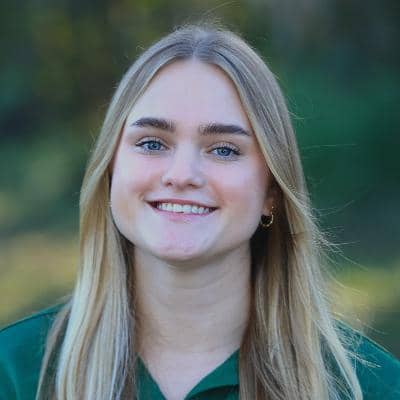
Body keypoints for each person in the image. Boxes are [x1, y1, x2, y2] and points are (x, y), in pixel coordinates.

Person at [0, 22, 399, 400]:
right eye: (152, 143)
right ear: (110, 171)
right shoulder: (14, 373)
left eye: (223, 149)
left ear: (272, 192)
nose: (182, 175)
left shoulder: (370, 387)